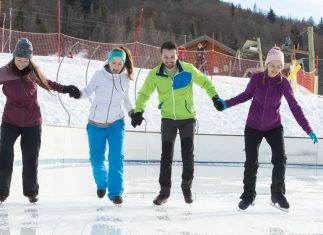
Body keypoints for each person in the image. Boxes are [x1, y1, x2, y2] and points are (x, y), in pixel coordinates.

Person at [0, 38, 81, 204]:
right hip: (10, 121)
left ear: (30, 60)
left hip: (32, 123)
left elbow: (49, 84)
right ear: (14, 57)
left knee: (30, 158)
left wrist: (66, 89)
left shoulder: (33, 73)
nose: (21, 63)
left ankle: (31, 192)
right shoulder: (5, 72)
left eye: (25, 60)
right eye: (19, 59)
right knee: (4, 155)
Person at [216, 47, 318, 211]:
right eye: (273, 65)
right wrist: (226, 103)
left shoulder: (283, 83)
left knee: (280, 160)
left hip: (274, 127)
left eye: (279, 66)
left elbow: (295, 107)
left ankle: (277, 195)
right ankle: (248, 196)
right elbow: (245, 95)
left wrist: (308, 129)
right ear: (267, 63)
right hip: (253, 126)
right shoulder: (256, 79)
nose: (275, 69)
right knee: (251, 162)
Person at [131, 41, 224, 205]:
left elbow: (205, 82)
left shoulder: (187, 69)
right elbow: (144, 92)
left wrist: (214, 97)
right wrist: (138, 110)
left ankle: (186, 189)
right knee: (166, 156)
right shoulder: (155, 74)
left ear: (177, 55)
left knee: (188, 155)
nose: (169, 60)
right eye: (165, 56)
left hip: (187, 118)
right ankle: (164, 192)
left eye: (172, 56)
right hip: (168, 119)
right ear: (161, 56)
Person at [78, 47, 134, 205]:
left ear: (123, 64)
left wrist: (132, 113)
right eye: (113, 62)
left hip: (116, 124)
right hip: (95, 124)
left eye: (119, 63)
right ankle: (102, 183)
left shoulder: (125, 79)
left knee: (116, 158)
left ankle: (116, 193)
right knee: (96, 160)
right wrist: (77, 93)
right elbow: (87, 92)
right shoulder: (99, 75)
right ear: (109, 61)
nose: (116, 66)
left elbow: (127, 100)